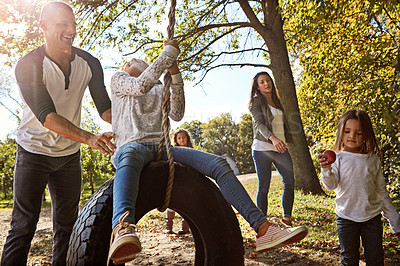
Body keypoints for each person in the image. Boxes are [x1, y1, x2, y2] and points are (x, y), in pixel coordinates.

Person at [107, 40, 308, 265]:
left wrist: (175, 74)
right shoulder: (119, 79)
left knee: (219, 165)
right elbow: (140, 86)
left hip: (163, 149)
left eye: (138, 59)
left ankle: (263, 228)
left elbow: (176, 112)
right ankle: (123, 227)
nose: (133, 60)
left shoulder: (158, 86)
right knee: (130, 156)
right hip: (133, 145)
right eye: (129, 61)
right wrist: (168, 54)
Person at [0, 2, 115, 265]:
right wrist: (89, 138)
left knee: (67, 228)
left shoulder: (90, 63)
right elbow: (46, 116)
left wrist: (139, 120)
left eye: (73, 23)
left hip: (68, 157)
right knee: (23, 227)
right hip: (33, 153)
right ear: (43, 26)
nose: (71, 29)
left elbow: (106, 109)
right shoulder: (28, 64)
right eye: (63, 23)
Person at [318, 109, 400, 265]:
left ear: (366, 135)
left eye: (358, 133)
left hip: (372, 219)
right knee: (349, 259)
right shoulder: (338, 157)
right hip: (346, 218)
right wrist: (326, 169)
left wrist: (395, 220)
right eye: (347, 131)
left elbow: (381, 192)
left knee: (375, 259)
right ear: (341, 132)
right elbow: (331, 186)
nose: (352, 136)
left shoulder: (372, 159)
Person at [248, 71, 295, 227]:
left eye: (268, 80)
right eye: (262, 82)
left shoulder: (277, 101)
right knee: (264, 186)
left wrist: (282, 140)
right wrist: (273, 139)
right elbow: (259, 124)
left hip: (280, 148)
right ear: (257, 86)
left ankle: (287, 218)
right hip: (262, 148)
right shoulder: (256, 102)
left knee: (289, 181)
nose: (266, 83)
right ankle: (262, 223)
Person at [165, 129, 193, 235]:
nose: (182, 140)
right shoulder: (174, 151)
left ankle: (185, 227)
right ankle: (169, 226)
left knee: (187, 203)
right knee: (172, 203)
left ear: (187, 138)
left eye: (183, 137)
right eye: (179, 138)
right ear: (176, 140)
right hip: (176, 179)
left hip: (187, 180)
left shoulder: (191, 150)